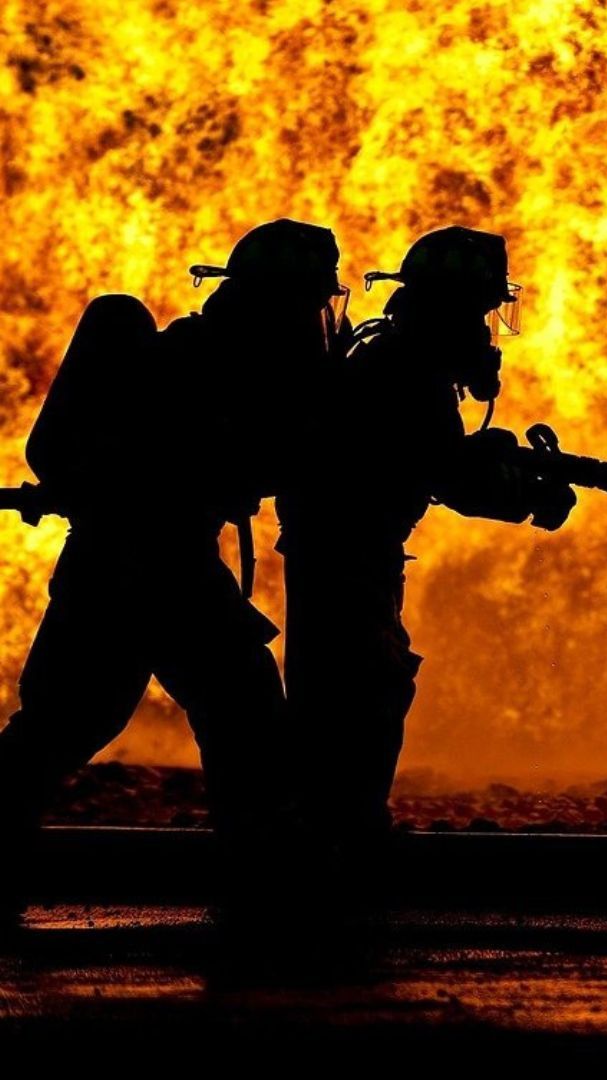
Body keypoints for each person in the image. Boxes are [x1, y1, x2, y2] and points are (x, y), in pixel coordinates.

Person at [0, 220, 348, 923]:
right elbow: (257, 457)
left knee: (60, 727)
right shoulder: (218, 367)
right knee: (242, 712)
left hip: (117, 567)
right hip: (157, 567)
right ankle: (265, 897)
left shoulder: (208, 355)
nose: (318, 320)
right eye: (310, 302)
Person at [277, 225, 574, 906]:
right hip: (349, 552)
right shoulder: (408, 371)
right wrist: (528, 498)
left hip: (349, 548)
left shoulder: (397, 361)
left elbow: (433, 460)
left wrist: (496, 460)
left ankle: (324, 841)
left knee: (352, 691)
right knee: (363, 692)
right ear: (452, 308)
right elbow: (448, 476)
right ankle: (336, 849)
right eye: (478, 312)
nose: (487, 333)